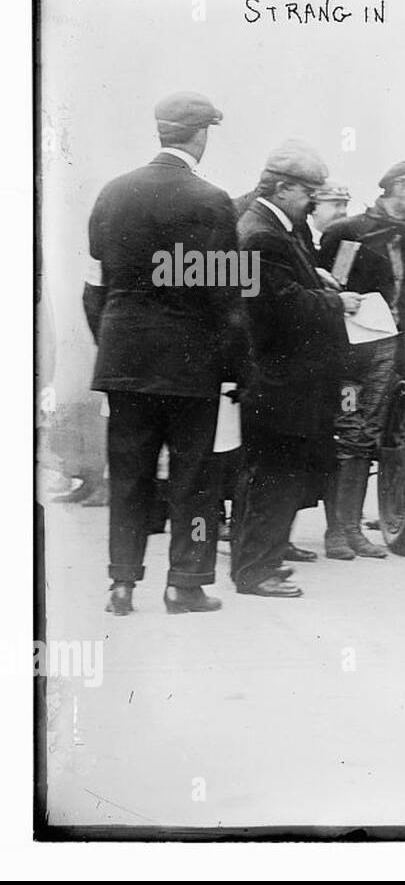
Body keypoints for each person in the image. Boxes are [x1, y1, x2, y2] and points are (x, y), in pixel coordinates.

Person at [86, 91, 246, 616]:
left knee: (129, 476)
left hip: (125, 364)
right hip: (189, 368)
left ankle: (122, 584)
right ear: (200, 135)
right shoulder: (210, 201)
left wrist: (113, 345)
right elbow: (226, 297)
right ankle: (186, 583)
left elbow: (95, 289)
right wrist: (234, 368)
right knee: (194, 481)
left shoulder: (113, 194)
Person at [232, 141, 358, 597]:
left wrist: (313, 279)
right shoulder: (263, 234)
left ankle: (258, 562)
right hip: (278, 380)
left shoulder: (271, 227)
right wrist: (334, 300)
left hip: (277, 378)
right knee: (273, 477)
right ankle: (256, 572)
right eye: (309, 191)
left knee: (269, 475)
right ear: (283, 187)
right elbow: (277, 304)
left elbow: (282, 286)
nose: (313, 201)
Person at [317, 159, 405, 559]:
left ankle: (353, 530)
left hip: (389, 355)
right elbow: (330, 285)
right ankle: (335, 533)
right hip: (349, 353)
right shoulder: (350, 233)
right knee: (345, 429)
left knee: (365, 436)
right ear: (398, 188)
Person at [309, 181, 351, 250]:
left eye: (345, 205)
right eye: (337, 205)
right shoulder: (303, 240)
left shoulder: (347, 241)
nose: (343, 211)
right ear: (314, 208)